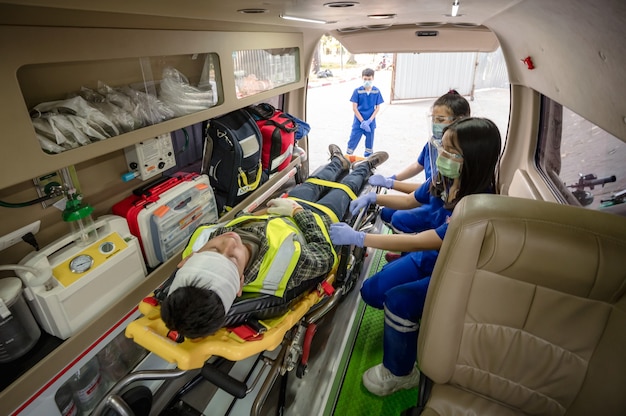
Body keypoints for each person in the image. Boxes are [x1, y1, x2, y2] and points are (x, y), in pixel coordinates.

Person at [330, 117, 501, 397]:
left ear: (474, 157)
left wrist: (360, 237)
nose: (441, 155)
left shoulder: (476, 207)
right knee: (372, 292)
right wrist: (375, 197)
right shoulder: (445, 179)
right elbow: (411, 201)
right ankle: (420, 320)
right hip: (431, 258)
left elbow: (420, 240)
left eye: (450, 151)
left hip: (453, 273)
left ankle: (401, 373)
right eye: (442, 147)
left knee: (399, 301)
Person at [160, 145, 389, 339]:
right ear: (240, 283)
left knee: (316, 181)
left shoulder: (200, 241)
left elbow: (238, 224)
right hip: (316, 220)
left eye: (214, 249)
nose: (230, 242)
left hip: (277, 213)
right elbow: (325, 256)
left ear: (189, 259)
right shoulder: (281, 272)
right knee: (345, 188)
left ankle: (338, 161)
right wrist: (298, 212)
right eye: (232, 257)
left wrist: (265, 211)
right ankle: (365, 166)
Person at [369, 90, 471, 237]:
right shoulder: (433, 145)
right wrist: (393, 179)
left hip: (438, 203)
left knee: (399, 218)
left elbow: (430, 190)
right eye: (433, 119)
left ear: (459, 121)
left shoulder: (460, 159)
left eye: (441, 120)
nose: (435, 124)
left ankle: (409, 247)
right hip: (432, 195)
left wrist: (390, 184)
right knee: (387, 212)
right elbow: (418, 166)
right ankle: (406, 248)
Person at [346, 68, 384, 157]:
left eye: (369, 79)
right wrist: (362, 121)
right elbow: (354, 108)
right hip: (358, 122)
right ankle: (347, 158)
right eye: (365, 79)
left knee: (369, 143)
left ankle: (367, 161)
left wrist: (369, 121)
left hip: (370, 123)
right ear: (362, 78)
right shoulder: (357, 91)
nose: (367, 81)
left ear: (373, 78)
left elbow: (377, 108)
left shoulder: (376, 91)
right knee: (353, 140)